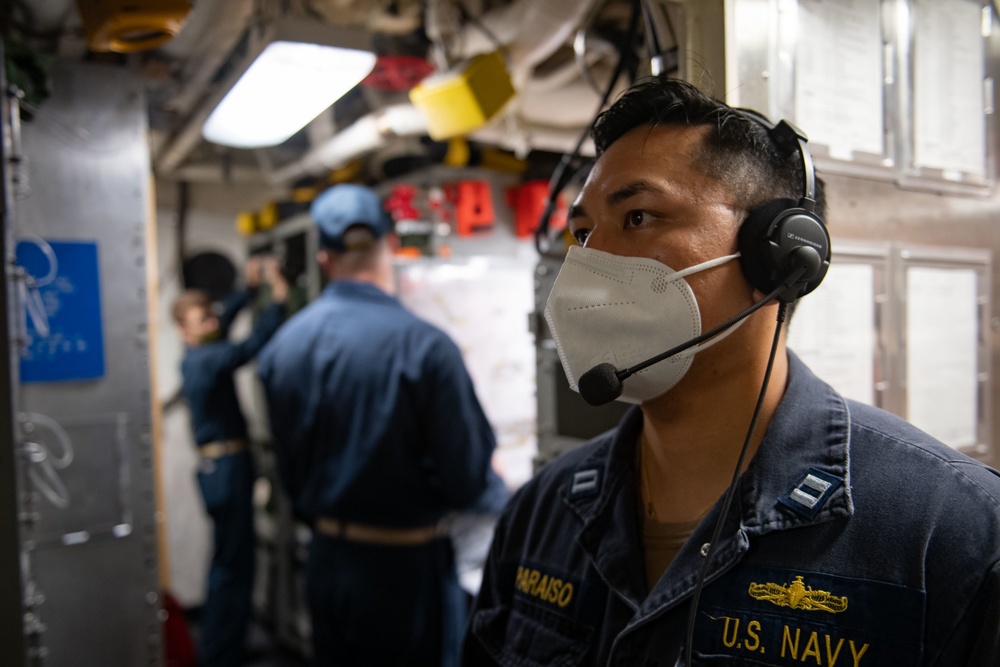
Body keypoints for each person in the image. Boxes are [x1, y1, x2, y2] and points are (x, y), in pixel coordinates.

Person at [463, 77, 1000, 665]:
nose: (588, 264)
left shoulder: (948, 534)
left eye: (639, 216)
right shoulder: (542, 511)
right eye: (584, 232)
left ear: (779, 256)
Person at [256, 183, 499, 667]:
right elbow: (467, 478)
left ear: (324, 258)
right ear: (389, 245)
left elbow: (289, 469)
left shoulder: (282, 349)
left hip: (326, 562)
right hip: (404, 571)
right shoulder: (426, 347)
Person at [172, 256, 288, 667]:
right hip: (227, 471)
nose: (211, 325)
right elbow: (251, 346)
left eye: (209, 319)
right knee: (233, 567)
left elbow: (223, 320)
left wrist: (249, 290)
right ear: (184, 330)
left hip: (218, 470)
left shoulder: (196, 354)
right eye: (201, 322)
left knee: (230, 562)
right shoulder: (206, 359)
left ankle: (225, 648)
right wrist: (277, 299)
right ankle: (223, 654)